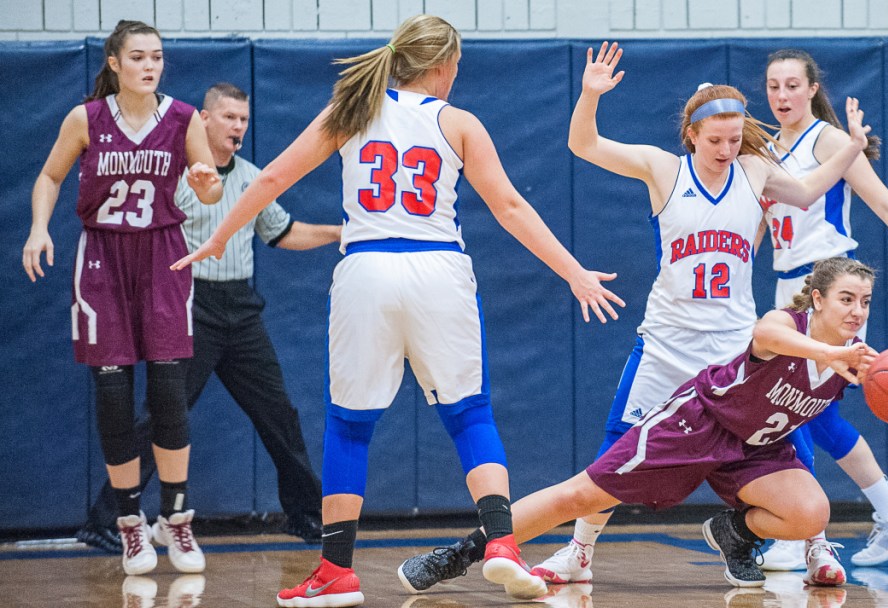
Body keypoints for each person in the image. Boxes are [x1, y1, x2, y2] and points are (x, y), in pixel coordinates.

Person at [171, 15, 625, 608]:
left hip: (366, 272)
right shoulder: (459, 122)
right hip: (439, 270)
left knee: (349, 425)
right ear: (441, 66)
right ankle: (503, 547)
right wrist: (573, 271)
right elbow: (510, 207)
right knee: (470, 415)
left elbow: (275, 175)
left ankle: (336, 572)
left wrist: (219, 237)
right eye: (456, 66)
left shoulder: (352, 109)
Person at [397, 41, 872, 594]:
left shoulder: (755, 170)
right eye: (714, 140)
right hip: (669, 347)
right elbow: (583, 143)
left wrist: (853, 147)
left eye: (734, 138)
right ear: (691, 134)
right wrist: (589, 96)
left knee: (791, 436)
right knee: (608, 464)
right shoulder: (662, 168)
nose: (725, 148)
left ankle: (785, 543)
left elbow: (812, 187)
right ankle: (568, 551)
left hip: (735, 352)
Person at [407, 256, 888, 599]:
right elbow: (768, 335)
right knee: (581, 496)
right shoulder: (788, 327)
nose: (857, 311)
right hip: (697, 425)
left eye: (864, 301)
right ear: (817, 300)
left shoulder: (864, 362)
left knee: (811, 512)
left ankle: (733, 533)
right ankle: (464, 551)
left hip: (757, 452)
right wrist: (831, 351)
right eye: (846, 299)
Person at [74, 82, 339, 555]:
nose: (238, 126)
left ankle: (305, 514)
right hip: (189, 303)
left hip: (241, 309)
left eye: (243, 119)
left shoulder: (253, 176)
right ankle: (107, 521)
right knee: (163, 418)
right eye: (229, 117)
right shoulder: (175, 174)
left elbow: (283, 232)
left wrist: (340, 231)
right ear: (204, 119)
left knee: (279, 413)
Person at [21, 20, 222, 576]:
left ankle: (176, 518)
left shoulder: (182, 117)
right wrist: (40, 228)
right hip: (103, 260)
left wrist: (207, 182)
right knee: (112, 399)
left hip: (161, 257)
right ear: (114, 62)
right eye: (138, 57)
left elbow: (210, 184)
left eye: (157, 57)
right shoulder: (85, 118)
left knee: (167, 396)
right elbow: (49, 176)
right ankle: (131, 525)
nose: (150, 66)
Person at [756, 48, 888, 577]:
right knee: (816, 414)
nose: (782, 96)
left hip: (826, 282)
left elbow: (886, 203)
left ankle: (801, 536)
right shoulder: (769, 148)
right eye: (773, 86)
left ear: (811, 88)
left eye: (792, 85)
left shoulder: (830, 139)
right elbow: (759, 229)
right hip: (789, 284)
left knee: (792, 406)